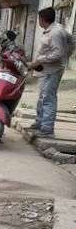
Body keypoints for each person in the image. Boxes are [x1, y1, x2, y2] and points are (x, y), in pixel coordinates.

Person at [26, 7, 72, 137]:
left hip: (53, 70)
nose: (38, 21)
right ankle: (40, 123)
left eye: (39, 19)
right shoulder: (54, 29)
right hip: (46, 70)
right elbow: (71, 41)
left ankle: (47, 129)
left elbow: (58, 53)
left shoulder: (55, 32)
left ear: (42, 19)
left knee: (48, 98)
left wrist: (40, 60)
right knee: (42, 97)